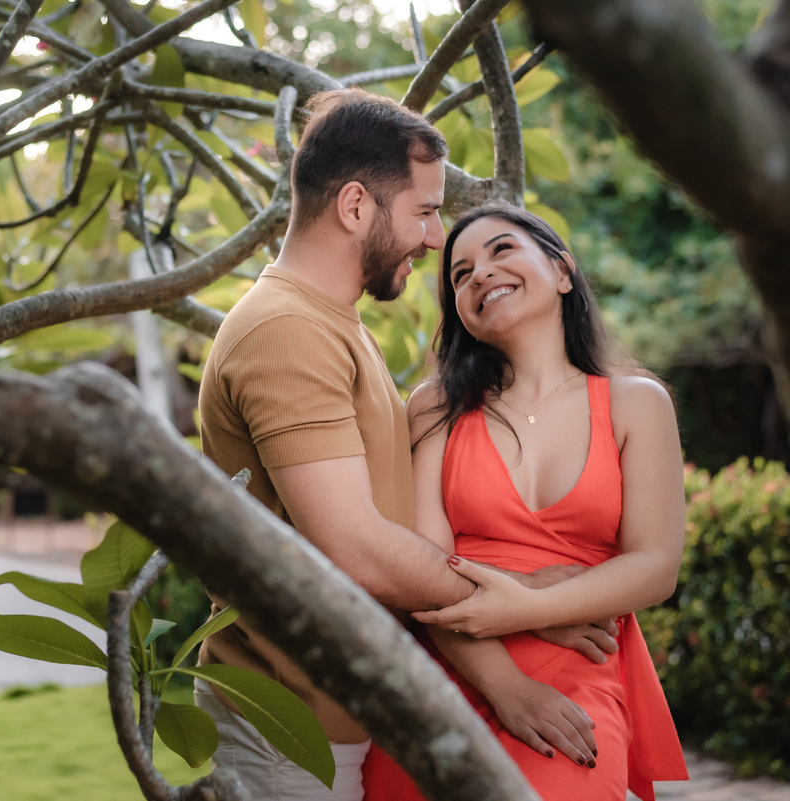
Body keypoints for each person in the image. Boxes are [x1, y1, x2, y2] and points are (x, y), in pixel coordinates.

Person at [195, 90, 617, 800]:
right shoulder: (286, 330)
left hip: (333, 723)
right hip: (286, 729)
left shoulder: (336, 324)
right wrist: (523, 596)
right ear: (356, 206)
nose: (432, 237)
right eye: (423, 211)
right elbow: (357, 545)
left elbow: (389, 530)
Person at [361, 203, 690, 800]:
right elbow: (420, 569)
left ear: (562, 272)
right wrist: (509, 685)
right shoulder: (435, 406)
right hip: (448, 671)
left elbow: (655, 566)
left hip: (574, 685)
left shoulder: (636, 403)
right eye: (460, 274)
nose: (480, 273)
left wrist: (525, 608)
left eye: (501, 250)